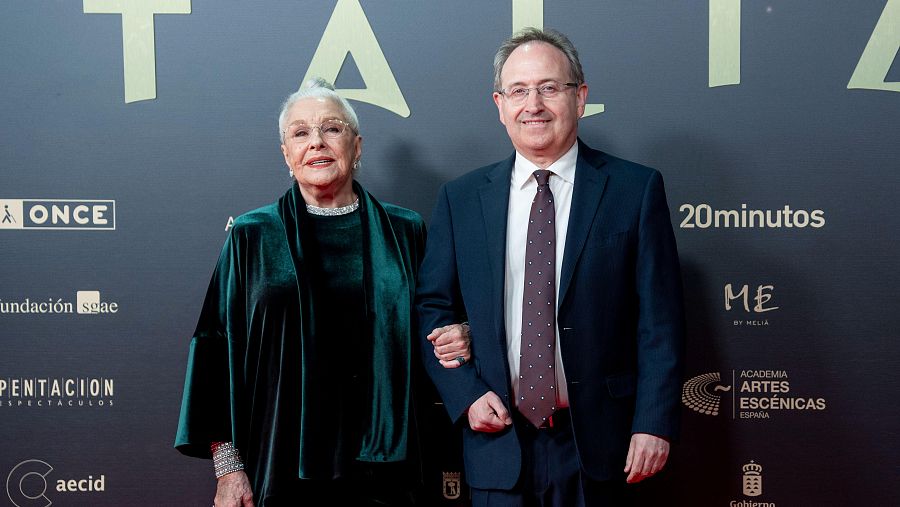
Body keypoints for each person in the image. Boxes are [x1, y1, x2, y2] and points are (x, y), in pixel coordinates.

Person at [416, 28, 685, 506]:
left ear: (580, 98)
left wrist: (653, 422)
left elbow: (660, 322)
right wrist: (466, 394)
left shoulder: (634, 190)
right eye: (518, 91)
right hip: (497, 443)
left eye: (549, 87)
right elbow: (432, 310)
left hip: (604, 446)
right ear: (500, 105)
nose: (533, 105)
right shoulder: (461, 199)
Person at [175, 78, 470, 507]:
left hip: (392, 473)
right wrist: (228, 467)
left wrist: (463, 332)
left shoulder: (406, 231)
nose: (316, 142)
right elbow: (213, 351)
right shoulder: (252, 235)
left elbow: (440, 326)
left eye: (332, 128)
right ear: (286, 154)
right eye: (301, 133)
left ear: (357, 145)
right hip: (279, 463)